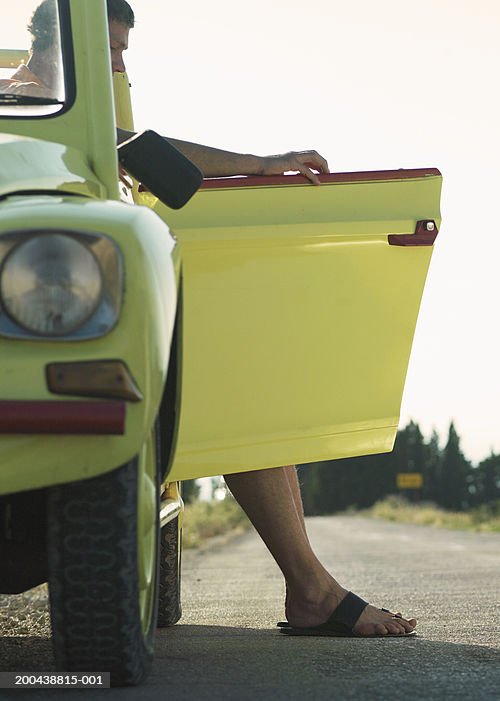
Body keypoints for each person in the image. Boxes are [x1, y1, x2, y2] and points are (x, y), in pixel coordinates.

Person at [23, 0, 417, 637]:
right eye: (108, 51)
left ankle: (311, 590)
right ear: (55, 44)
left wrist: (260, 166)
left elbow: (141, 150)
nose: (119, 65)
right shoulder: (25, 106)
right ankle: (313, 593)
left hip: (69, 317)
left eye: (122, 52)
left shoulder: (90, 125)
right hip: (34, 328)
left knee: (246, 401)